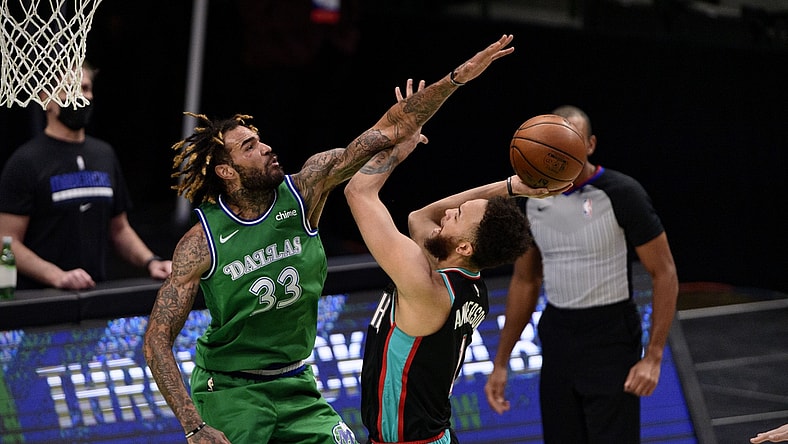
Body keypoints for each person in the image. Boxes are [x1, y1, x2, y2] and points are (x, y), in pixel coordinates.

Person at [142, 35, 516, 444]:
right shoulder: (202, 241)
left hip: (295, 382)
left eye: (261, 139)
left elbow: (390, 127)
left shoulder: (307, 188)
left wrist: (456, 79)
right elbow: (157, 339)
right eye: (250, 147)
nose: (267, 148)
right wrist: (193, 425)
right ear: (227, 173)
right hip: (230, 388)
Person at [345, 77, 569, 443]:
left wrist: (398, 140)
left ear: (464, 246)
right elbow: (420, 218)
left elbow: (358, 191)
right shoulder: (469, 284)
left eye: (459, 215)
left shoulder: (426, 287)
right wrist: (511, 186)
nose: (449, 212)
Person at [484, 105, 679, 443]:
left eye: (570, 139)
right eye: (555, 142)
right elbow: (525, 280)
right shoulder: (530, 200)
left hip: (612, 337)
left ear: (589, 144)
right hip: (558, 334)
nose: (561, 151)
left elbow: (664, 272)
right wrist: (501, 362)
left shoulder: (623, 193)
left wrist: (653, 357)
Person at [0, 63, 172, 290]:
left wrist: (151, 261)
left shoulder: (104, 154)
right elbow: (6, 242)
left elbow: (119, 229)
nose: (80, 97)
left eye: (85, 88)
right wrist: (57, 276)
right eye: (69, 89)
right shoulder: (25, 161)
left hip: (93, 297)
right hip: (38, 302)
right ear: (46, 99)